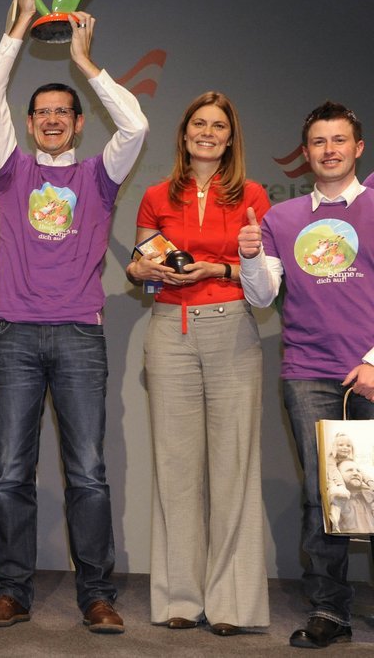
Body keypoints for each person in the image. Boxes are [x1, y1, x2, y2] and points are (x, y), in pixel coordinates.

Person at [0, 0, 148, 632]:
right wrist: (20, 23)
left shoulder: (99, 175)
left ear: (78, 123)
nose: (50, 120)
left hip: (78, 335)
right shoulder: (10, 170)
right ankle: (12, 592)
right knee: (12, 473)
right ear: (29, 124)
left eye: (62, 112)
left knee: (89, 474)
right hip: (15, 334)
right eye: (41, 112)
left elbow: (136, 123)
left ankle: (96, 595)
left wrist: (84, 62)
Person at [125, 92, 270, 635]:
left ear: (230, 139)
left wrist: (218, 269)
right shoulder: (156, 195)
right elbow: (142, 263)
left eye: (218, 126)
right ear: (184, 134)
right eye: (199, 124)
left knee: (234, 467)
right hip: (170, 331)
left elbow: (265, 276)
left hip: (232, 329)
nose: (208, 133)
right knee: (176, 469)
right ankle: (180, 598)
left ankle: (232, 605)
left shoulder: (253, 195)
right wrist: (142, 271)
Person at [238, 100, 373, 649]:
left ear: (357, 148)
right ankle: (330, 611)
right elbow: (261, 296)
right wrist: (249, 256)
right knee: (326, 495)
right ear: (306, 152)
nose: (329, 150)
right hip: (309, 373)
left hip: (370, 369)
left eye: (339, 140)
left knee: (372, 489)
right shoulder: (281, 218)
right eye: (319, 142)